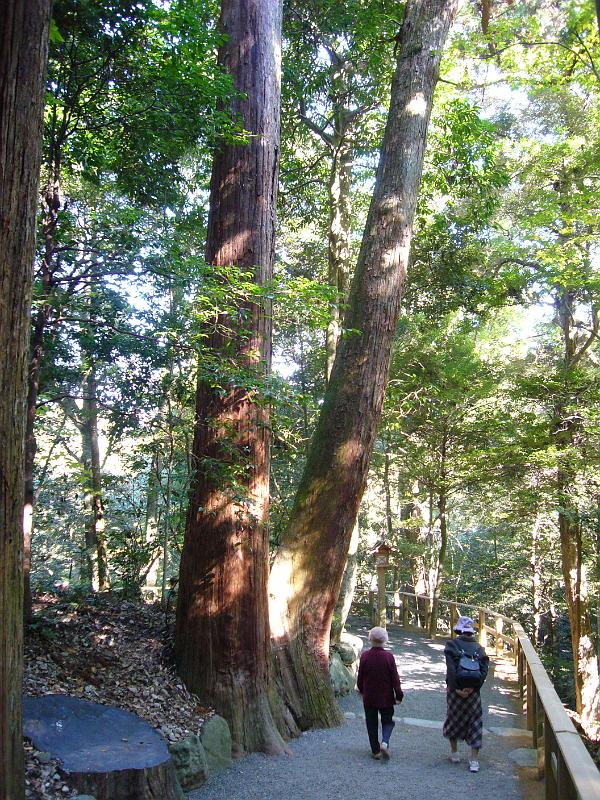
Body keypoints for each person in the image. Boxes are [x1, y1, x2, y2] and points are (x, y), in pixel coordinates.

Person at [443, 615, 489, 773]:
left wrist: (456, 689)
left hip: (455, 691)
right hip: (473, 694)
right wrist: (473, 689)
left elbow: (451, 670)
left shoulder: (451, 645)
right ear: (471, 631)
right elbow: (483, 672)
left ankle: (455, 754)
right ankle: (474, 761)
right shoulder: (480, 648)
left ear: (459, 630)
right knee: (475, 722)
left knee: (453, 719)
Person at [357, 626, 403, 760]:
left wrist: (361, 690)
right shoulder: (389, 657)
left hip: (369, 697)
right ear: (385, 640)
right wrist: (399, 695)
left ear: (370, 639)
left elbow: (360, 677)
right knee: (387, 721)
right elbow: (395, 678)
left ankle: (375, 751)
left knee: (371, 724)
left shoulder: (365, 656)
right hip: (386, 697)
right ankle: (385, 742)